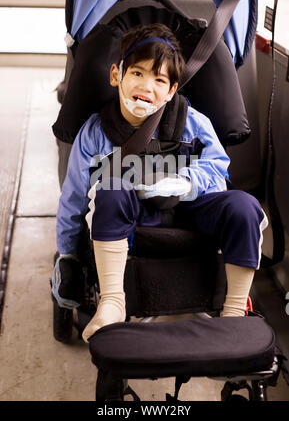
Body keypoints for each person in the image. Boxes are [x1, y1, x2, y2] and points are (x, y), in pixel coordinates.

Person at [52, 23, 268, 343]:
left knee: (244, 206)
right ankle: (113, 301)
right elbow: (73, 198)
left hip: (190, 214)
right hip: (128, 224)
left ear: (171, 91)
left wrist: (186, 182)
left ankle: (235, 309)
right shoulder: (96, 132)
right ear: (116, 76)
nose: (147, 85)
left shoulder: (192, 122)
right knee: (111, 188)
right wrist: (67, 255)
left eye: (159, 79)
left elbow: (218, 167)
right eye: (137, 73)